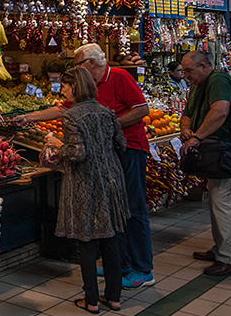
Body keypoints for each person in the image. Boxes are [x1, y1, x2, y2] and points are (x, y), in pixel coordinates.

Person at [15, 43, 154, 289]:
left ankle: (143, 269)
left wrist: (106, 127)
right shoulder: (87, 87)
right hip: (105, 153)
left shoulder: (119, 76)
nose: (75, 69)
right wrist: (28, 117)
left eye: (77, 64)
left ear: (90, 63)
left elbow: (141, 109)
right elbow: (62, 109)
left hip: (130, 149)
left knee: (132, 208)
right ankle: (120, 264)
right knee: (113, 209)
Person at [42, 67, 129, 314]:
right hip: (112, 179)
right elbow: (120, 144)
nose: (63, 91)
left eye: (65, 87)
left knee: (87, 239)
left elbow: (77, 153)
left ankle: (91, 299)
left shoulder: (71, 117)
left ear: (74, 88)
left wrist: (57, 145)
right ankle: (114, 297)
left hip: (85, 182)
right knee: (110, 237)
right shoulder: (107, 112)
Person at [179, 50, 231, 276]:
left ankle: (229, 258)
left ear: (204, 66)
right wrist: (186, 129)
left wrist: (196, 137)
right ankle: (220, 248)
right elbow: (187, 113)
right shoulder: (197, 86)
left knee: (227, 203)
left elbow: (220, 111)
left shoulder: (218, 80)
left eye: (189, 70)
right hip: (218, 153)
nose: (186, 75)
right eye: (184, 71)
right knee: (218, 201)